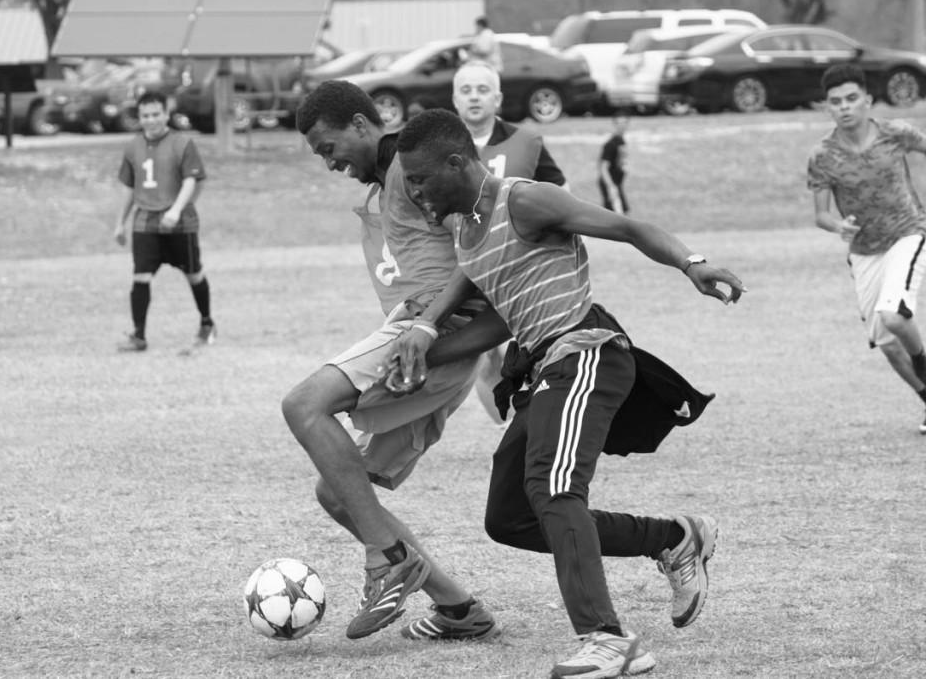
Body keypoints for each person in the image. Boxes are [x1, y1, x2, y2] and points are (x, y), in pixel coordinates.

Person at [391, 108, 746, 678]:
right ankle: (677, 538)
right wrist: (426, 334)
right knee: (510, 517)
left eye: (418, 179)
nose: (411, 192)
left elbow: (627, 228)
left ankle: (608, 640)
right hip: (542, 371)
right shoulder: (465, 226)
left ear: (456, 162)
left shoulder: (525, 201)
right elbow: (494, 300)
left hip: (585, 353)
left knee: (554, 490)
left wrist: (691, 262)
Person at [283, 80, 506, 642]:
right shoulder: (389, 184)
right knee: (339, 493)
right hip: (435, 347)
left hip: (431, 335)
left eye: (329, 148)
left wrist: (427, 326)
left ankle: (389, 559)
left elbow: (483, 246)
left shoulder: (415, 171)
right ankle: (459, 611)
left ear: (362, 125)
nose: (330, 163)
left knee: (304, 405)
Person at [808, 64, 926, 433]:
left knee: (894, 315)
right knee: (888, 343)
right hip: (864, 252)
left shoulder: (895, 133)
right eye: (835, 102)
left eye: (851, 99)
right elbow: (821, 215)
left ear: (867, 101)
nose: (844, 107)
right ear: (827, 107)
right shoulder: (823, 156)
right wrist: (838, 226)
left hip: (908, 233)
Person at [453, 60, 569, 423]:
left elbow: (562, 196)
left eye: (482, 90)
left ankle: (538, 422)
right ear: (454, 100)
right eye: (466, 90)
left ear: (498, 98)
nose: (474, 97)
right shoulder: (438, 146)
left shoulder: (526, 143)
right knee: (484, 355)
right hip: (462, 272)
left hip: (518, 271)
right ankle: (507, 431)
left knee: (531, 351)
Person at [113, 91, 215, 353]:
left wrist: (176, 210)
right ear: (139, 118)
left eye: (156, 114)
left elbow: (192, 180)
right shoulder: (132, 147)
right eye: (145, 115)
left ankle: (206, 323)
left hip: (179, 222)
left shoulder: (182, 143)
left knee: (194, 274)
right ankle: (138, 336)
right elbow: (128, 187)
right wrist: (119, 224)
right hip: (145, 220)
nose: (151, 120)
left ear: (166, 114)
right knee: (141, 277)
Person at [598, 111, 629, 215]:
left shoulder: (621, 141)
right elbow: (603, 168)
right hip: (611, 183)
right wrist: (611, 187)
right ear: (615, 124)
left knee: (623, 212)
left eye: (625, 123)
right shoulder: (610, 144)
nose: (623, 126)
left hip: (617, 183)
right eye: (620, 123)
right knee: (617, 216)